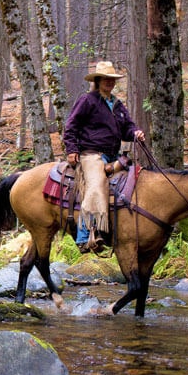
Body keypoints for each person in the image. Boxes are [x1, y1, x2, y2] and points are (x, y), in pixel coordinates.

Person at [63, 61, 145, 253]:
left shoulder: (117, 105)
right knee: (97, 184)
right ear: (98, 81)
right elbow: (71, 126)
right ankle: (84, 237)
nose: (109, 82)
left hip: (113, 155)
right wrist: (72, 149)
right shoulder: (87, 100)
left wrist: (136, 133)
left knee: (137, 179)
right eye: (105, 79)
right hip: (91, 154)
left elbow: (128, 128)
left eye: (112, 79)